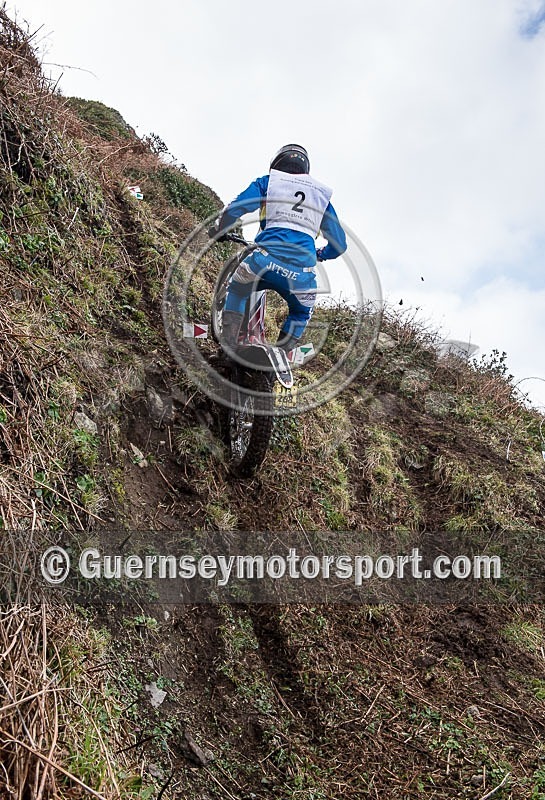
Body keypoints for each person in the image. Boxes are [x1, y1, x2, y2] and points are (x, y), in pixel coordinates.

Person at [209, 144, 347, 356]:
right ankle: (281, 354)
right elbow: (339, 245)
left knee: (237, 289)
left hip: (263, 262)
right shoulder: (321, 197)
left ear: (277, 164)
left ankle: (227, 347)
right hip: (302, 274)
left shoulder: (269, 181)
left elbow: (237, 208)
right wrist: (320, 254)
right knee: (301, 313)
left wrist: (220, 228)